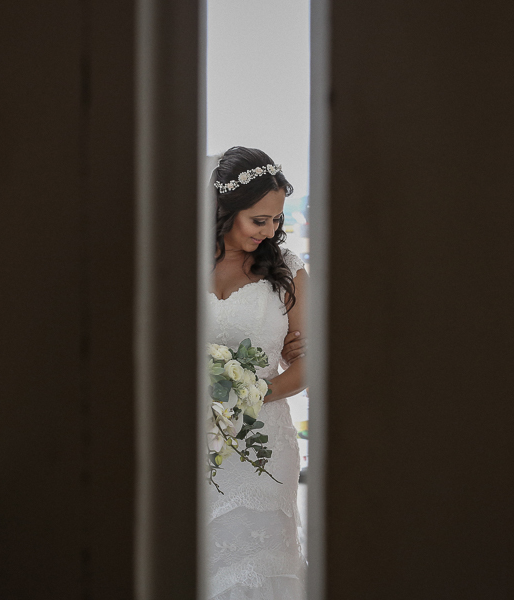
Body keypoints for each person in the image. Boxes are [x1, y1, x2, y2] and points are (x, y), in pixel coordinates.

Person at [205, 146, 308, 600]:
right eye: (257, 220)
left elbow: (306, 364)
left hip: (261, 448)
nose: (269, 231)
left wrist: (249, 394)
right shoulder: (177, 263)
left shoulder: (285, 269)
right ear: (225, 211)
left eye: (276, 220)